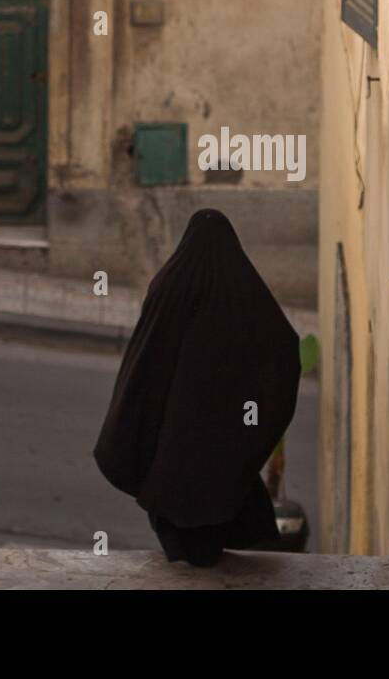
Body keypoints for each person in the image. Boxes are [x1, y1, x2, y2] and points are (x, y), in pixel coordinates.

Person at [93, 209, 301, 567]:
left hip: (173, 438)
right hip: (223, 439)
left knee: (175, 513)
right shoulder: (243, 289)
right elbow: (283, 344)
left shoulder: (170, 284)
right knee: (213, 511)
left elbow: (147, 355)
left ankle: (183, 556)